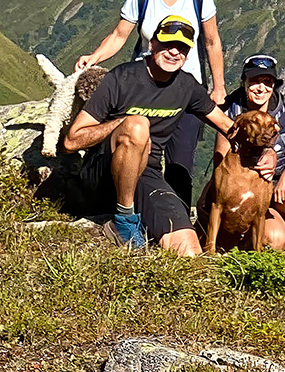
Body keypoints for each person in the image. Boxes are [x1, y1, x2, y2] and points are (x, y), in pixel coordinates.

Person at [74, 0, 225, 208]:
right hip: (143, 87)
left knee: (181, 163)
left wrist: (218, 87)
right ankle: (127, 210)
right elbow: (120, 35)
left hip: (186, 91)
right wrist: (94, 57)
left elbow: (212, 41)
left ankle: (176, 222)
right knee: (138, 152)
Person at [64, 15, 234, 256]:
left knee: (188, 248)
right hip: (102, 173)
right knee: (137, 126)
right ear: (152, 44)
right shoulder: (121, 78)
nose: (174, 52)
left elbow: (229, 127)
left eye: (182, 48)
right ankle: (124, 220)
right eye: (167, 44)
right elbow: (72, 140)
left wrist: (265, 148)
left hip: (146, 174)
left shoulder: (186, 86)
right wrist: (121, 123)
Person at [212, 55, 285, 255]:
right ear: (244, 83)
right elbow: (221, 166)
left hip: (275, 192)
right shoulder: (230, 116)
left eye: (267, 82)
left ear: (274, 85)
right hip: (241, 193)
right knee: (274, 239)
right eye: (254, 81)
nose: (261, 88)